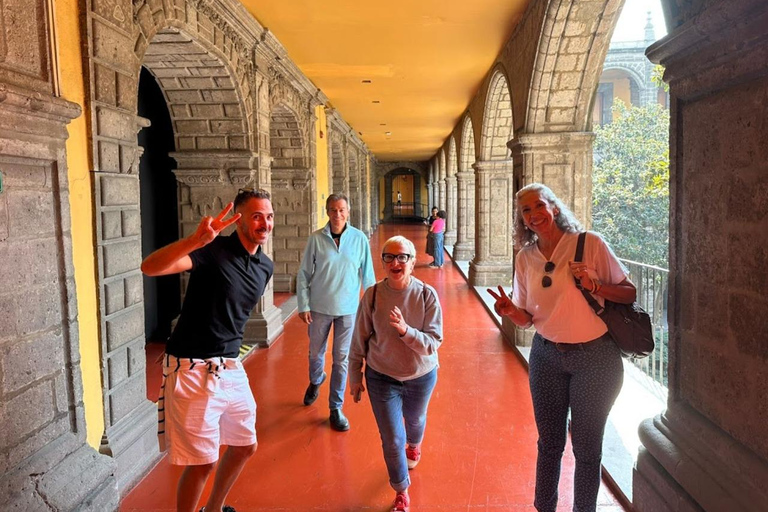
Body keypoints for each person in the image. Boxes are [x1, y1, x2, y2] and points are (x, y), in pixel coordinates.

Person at [487, 183, 636, 512]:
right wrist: (512, 312)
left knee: (586, 448)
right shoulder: (526, 258)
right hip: (546, 356)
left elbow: (628, 292)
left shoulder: (589, 244)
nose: (534, 214)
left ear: (554, 207)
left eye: (539, 205)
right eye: (526, 211)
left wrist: (595, 285)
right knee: (550, 443)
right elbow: (527, 319)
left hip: (595, 359)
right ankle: (544, 507)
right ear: (522, 220)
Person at [141, 188, 275, 512]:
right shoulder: (212, 251)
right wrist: (195, 241)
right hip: (191, 368)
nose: (265, 223)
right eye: (256, 216)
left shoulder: (265, 266)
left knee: (246, 445)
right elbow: (150, 267)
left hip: (229, 366)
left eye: (269, 216)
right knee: (202, 463)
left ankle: (213, 509)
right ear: (239, 220)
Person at [349, 235, 443, 512]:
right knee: (392, 438)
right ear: (383, 263)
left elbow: (433, 342)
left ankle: (415, 444)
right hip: (381, 376)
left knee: (415, 420)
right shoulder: (374, 295)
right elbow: (359, 338)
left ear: (413, 262)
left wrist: (405, 331)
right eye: (389, 257)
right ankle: (401, 489)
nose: (395, 262)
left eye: (402, 257)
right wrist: (355, 375)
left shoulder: (426, 295)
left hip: (420, 375)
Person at [297, 193, 376, 431]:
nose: (337, 214)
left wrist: (372, 307)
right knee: (315, 354)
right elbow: (303, 274)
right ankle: (316, 379)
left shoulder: (359, 239)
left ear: (348, 212)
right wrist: (304, 304)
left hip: (349, 310)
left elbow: (368, 274)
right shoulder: (316, 239)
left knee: (342, 359)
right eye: (333, 210)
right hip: (319, 308)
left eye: (341, 210)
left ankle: (335, 407)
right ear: (327, 212)